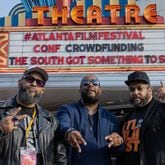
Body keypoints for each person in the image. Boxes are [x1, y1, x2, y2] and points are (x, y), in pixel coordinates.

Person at [0, 66, 67, 165]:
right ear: (19, 82)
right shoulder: (1, 111)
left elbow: (60, 157)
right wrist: (1, 129)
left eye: (39, 83)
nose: (34, 83)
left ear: (42, 90)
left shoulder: (51, 120)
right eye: (29, 79)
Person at [56, 73, 123, 165]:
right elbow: (61, 124)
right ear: (79, 90)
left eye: (95, 83)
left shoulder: (111, 118)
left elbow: (116, 151)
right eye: (85, 83)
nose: (90, 85)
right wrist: (69, 132)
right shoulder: (67, 110)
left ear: (100, 90)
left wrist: (118, 143)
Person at [116, 71, 165, 165]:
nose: (135, 92)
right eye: (132, 89)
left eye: (139, 88)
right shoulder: (126, 118)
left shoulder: (160, 109)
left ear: (149, 90)